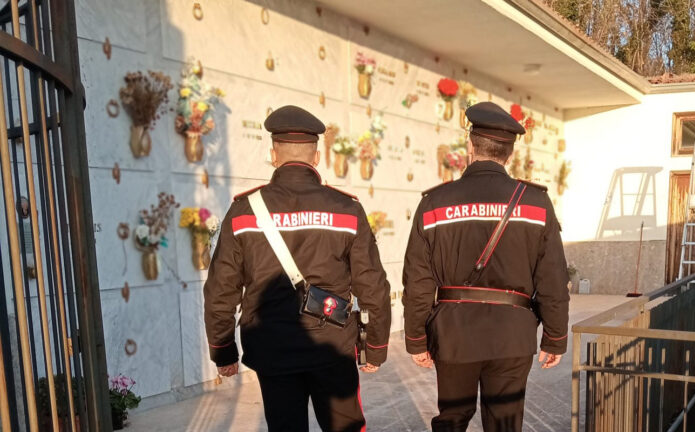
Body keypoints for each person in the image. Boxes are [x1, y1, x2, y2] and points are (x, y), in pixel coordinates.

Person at [204, 105, 392, 431]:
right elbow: (372, 285)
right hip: (332, 346)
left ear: (273, 154)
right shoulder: (346, 209)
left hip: (272, 348)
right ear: (317, 157)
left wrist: (223, 351)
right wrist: (375, 347)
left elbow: (221, 287)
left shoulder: (243, 210)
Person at [402, 101, 570, 432]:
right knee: (505, 424)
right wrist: (555, 336)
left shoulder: (434, 202)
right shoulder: (535, 202)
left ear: (470, 145)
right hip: (512, 334)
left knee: (451, 420)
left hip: (453, 333)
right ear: (509, 153)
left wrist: (416, 338)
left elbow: (417, 280)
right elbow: (552, 277)